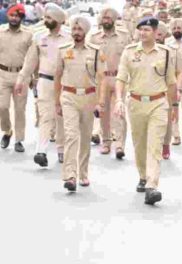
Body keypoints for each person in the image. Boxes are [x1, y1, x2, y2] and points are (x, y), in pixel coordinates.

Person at [114, 17, 178, 205]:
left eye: (147, 30)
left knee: (154, 145)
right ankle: (143, 175)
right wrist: (118, 100)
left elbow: (171, 83)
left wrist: (174, 106)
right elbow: (121, 78)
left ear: (156, 32)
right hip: (135, 103)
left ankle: (152, 185)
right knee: (139, 144)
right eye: (140, 29)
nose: (143, 33)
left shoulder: (165, 53)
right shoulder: (129, 52)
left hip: (158, 103)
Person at [54, 15, 106, 192]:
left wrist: (100, 102)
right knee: (71, 135)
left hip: (89, 97)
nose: (76, 33)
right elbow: (57, 76)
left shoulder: (96, 51)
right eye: (74, 29)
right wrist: (56, 102)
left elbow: (101, 78)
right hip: (68, 96)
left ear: (86, 31)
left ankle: (83, 172)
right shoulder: (63, 50)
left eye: (80, 29)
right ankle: (70, 175)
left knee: (85, 137)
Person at [15, 3, 69, 166]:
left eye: (49, 18)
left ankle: (61, 149)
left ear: (58, 20)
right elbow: (30, 61)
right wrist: (21, 79)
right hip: (45, 81)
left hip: (65, 84)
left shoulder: (69, 38)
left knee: (61, 117)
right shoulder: (39, 37)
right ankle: (41, 151)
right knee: (46, 116)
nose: (45, 20)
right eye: (45, 17)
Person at [88, 7, 131, 160]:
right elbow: (89, 59)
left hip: (119, 78)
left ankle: (119, 144)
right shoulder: (94, 38)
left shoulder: (124, 36)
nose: (105, 21)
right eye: (103, 18)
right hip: (102, 80)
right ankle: (106, 142)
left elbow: (130, 57)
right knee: (104, 112)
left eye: (108, 18)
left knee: (119, 111)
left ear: (114, 20)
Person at [0, 4, 32, 152]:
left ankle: (19, 140)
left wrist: (34, 78)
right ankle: (7, 131)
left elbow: (33, 58)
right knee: (2, 107)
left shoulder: (28, 35)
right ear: (8, 16)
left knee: (20, 110)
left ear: (21, 18)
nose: (14, 18)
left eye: (17, 16)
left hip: (21, 76)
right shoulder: (0, 31)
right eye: (12, 15)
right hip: (2, 74)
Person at [156, 20, 182, 160]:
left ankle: (166, 144)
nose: (157, 37)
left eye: (160, 34)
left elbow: (179, 72)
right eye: (155, 33)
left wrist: (177, 89)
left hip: (168, 89)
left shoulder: (172, 51)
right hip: (150, 90)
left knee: (167, 120)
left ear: (165, 35)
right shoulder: (142, 50)